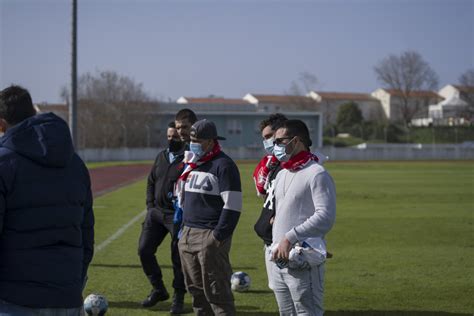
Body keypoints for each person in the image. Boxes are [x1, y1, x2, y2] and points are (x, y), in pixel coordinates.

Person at [0, 85, 94, 315]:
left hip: (15, 298)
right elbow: (87, 233)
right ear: (32, 113)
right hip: (67, 295)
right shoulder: (76, 164)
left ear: (2, 124)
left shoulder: (4, 163)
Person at [270, 119, 336, 316]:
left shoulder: (317, 173)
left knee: (308, 313)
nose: (275, 147)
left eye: (279, 141)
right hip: (278, 259)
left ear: (296, 140)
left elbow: (325, 216)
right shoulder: (283, 172)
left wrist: (289, 237)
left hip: (302, 259)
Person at [177, 119, 242, 315]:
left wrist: (217, 237)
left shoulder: (223, 165)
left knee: (217, 294)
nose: (193, 143)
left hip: (209, 235)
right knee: (196, 294)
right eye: (192, 139)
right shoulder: (193, 164)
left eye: (198, 140)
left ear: (211, 141)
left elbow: (233, 206)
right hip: (187, 234)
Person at [138, 121, 188, 313]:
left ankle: (179, 297)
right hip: (156, 214)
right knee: (144, 250)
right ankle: (159, 289)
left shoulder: (188, 158)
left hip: (175, 216)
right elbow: (151, 181)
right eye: (168, 137)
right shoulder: (161, 156)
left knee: (177, 257)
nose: (171, 140)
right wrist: (150, 206)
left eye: (174, 137)